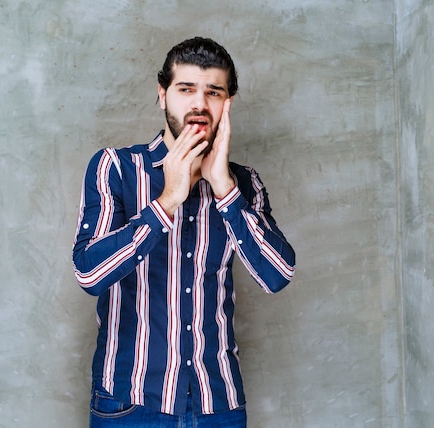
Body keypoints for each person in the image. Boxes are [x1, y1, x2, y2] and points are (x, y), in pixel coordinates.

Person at [72, 37, 296, 428]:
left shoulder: (244, 183)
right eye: (186, 89)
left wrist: (225, 189)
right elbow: (89, 274)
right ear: (163, 95)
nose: (199, 103)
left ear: (228, 103)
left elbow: (278, 276)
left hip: (218, 403)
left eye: (214, 92)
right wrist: (168, 201)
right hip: (130, 403)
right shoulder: (116, 168)